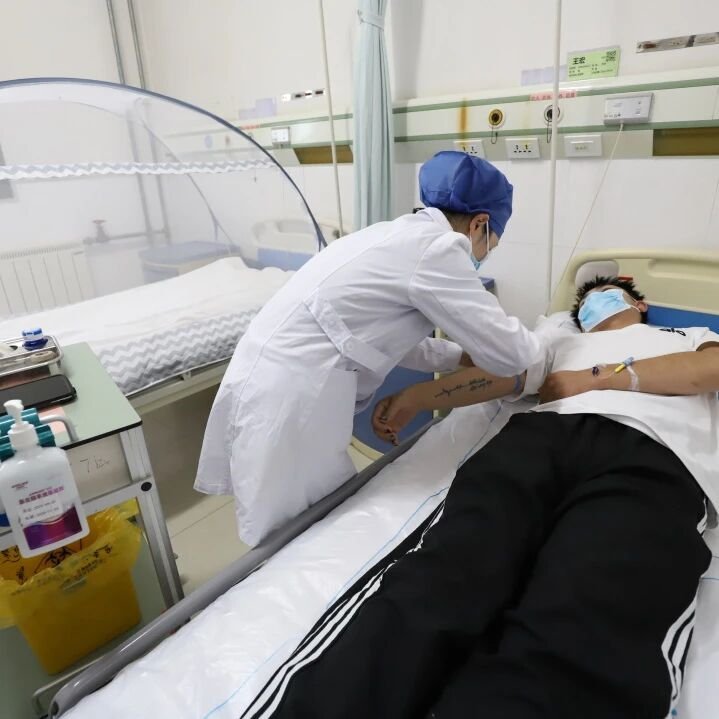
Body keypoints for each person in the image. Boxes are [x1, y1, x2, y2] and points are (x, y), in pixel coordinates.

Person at [241, 276, 719, 719]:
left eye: (607, 293)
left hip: (654, 453)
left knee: (590, 606)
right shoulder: (561, 341)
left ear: (639, 303)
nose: (596, 304)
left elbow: (709, 369)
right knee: (445, 572)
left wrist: (595, 377)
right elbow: (505, 377)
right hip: (537, 440)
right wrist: (419, 397)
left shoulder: (689, 334)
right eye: (587, 303)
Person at [196, 151, 541, 546]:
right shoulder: (440, 250)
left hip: (275, 374)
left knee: (303, 516)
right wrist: (546, 345)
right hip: (292, 392)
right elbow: (515, 355)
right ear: (480, 223)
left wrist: (460, 356)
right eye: (491, 244)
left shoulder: (392, 235)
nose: (484, 254)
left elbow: (380, 337)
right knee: (289, 530)